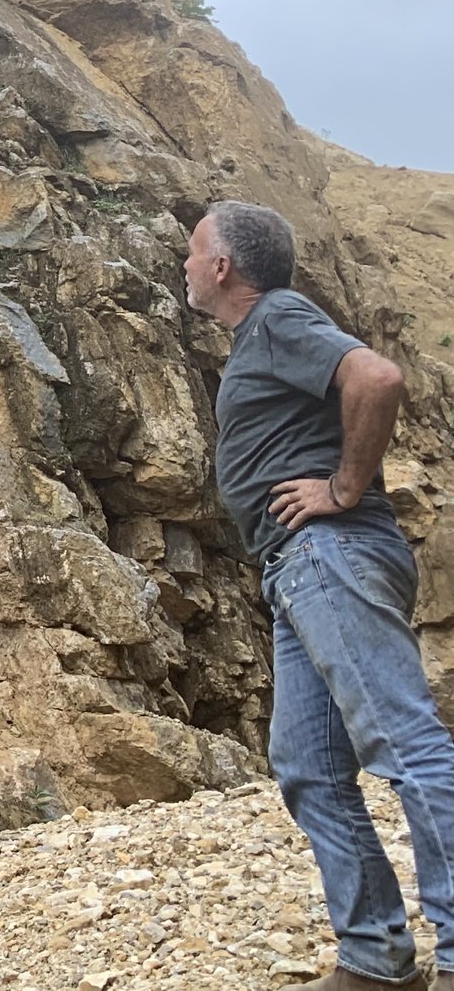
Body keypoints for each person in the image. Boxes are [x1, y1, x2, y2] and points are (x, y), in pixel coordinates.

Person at [193, 199, 454, 989]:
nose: (183, 263)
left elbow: (378, 376)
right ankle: (375, 959)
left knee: (403, 742)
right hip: (295, 567)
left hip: (327, 549)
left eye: (192, 250)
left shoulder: (276, 317)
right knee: (307, 762)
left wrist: (343, 487)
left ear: (222, 266)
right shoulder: (262, 336)